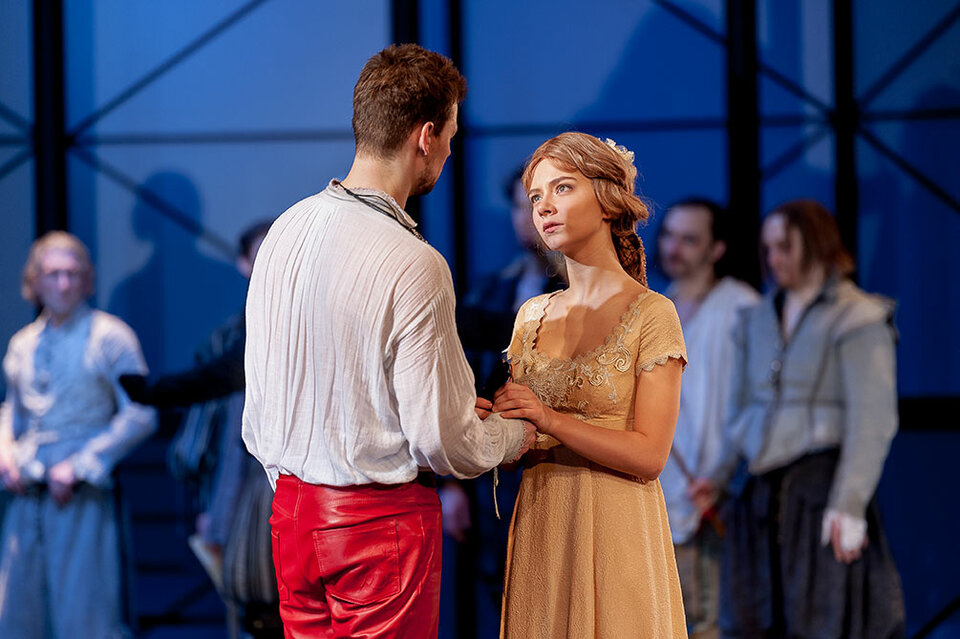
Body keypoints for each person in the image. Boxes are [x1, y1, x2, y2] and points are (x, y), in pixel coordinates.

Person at [242, 43, 535, 638]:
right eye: (450, 136)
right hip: (377, 526)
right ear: (425, 136)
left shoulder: (283, 230)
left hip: (291, 515)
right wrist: (516, 435)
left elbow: (265, 398)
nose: (449, 151)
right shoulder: (414, 262)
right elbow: (443, 442)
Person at [492, 132, 688, 637]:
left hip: (617, 526)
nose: (544, 207)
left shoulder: (652, 314)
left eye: (562, 188)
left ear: (606, 201)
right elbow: (520, 445)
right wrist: (492, 424)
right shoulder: (530, 315)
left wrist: (550, 419)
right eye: (535, 197)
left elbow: (650, 455)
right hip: (543, 526)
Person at [689, 200, 905, 638]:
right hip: (759, 494)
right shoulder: (757, 318)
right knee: (753, 618)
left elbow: (872, 421)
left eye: (785, 247)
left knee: (821, 620)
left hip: (819, 490)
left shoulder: (857, 317)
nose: (774, 259)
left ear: (817, 244)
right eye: (768, 248)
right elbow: (741, 411)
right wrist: (718, 477)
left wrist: (849, 503)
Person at [121, 220, 280, 638]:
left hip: (296, 487)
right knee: (249, 607)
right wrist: (206, 505)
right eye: (261, 254)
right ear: (243, 263)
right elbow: (200, 433)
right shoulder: (226, 338)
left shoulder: (308, 327)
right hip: (237, 489)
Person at [0, 231, 157, 638]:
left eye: (72, 274)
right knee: (19, 613)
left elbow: (141, 412)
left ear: (87, 279)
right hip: (26, 493)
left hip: (80, 496)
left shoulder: (110, 336)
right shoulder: (23, 344)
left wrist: (83, 464)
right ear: (35, 281)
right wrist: (5, 451)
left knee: (84, 614)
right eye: (53, 274)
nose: (64, 284)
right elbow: (12, 410)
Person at [656, 198, 759, 639]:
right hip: (661, 488)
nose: (673, 248)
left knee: (713, 621)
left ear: (717, 249)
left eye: (689, 240)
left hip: (720, 492)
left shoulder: (742, 307)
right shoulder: (653, 307)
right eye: (669, 236)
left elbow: (758, 402)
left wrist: (723, 475)